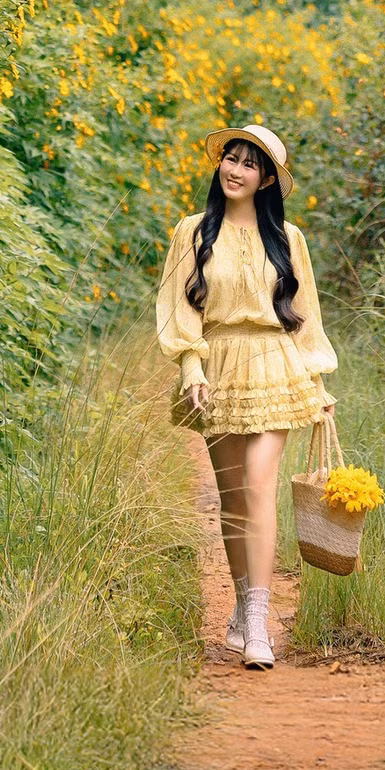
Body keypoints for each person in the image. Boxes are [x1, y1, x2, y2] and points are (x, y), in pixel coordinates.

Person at [156, 124, 337, 670]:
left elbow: (304, 317)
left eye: (248, 164)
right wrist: (191, 366)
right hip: (216, 368)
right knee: (232, 498)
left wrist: (318, 381)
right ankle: (239, 608)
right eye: (229, 160)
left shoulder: (289, 238)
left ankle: (258, 621)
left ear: (265, 180)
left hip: (275, 364)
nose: (234, 170)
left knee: (259, 489)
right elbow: (179, 307)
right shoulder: (193, 232)